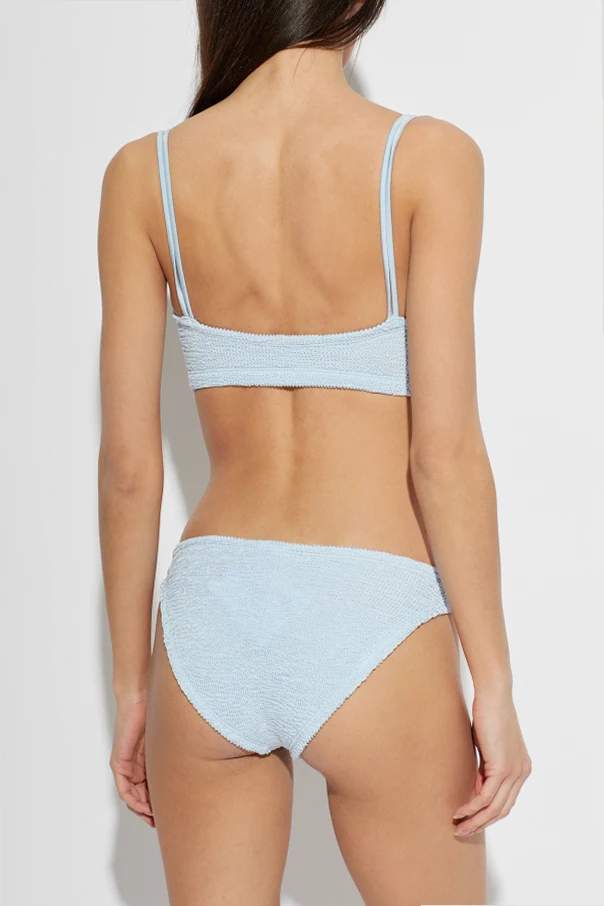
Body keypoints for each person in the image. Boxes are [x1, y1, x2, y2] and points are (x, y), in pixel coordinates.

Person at [98, 1, 531, 903]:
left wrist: (133, 688)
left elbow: (129, 471)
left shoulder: (146, 173)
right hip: (375, 613)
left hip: (211, 618)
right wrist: (493, 684)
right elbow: (444, 455)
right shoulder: (427, 158)